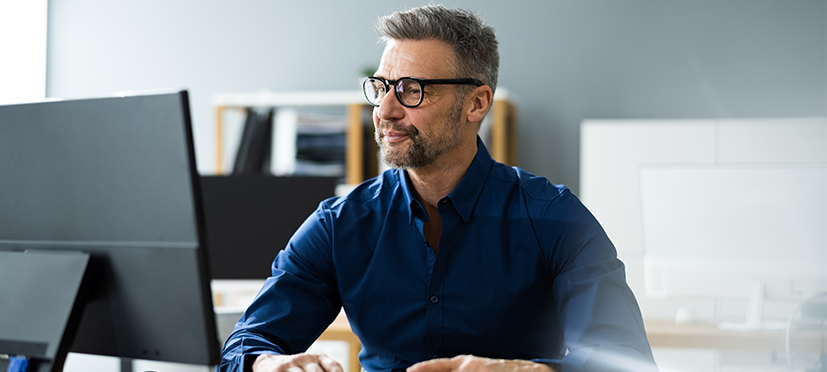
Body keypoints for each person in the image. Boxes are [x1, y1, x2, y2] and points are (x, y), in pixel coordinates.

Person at [219, 5, 656, 372]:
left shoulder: (554, 218)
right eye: (381, 88)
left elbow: (626, 361)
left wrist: (528, 371)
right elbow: (246, 344)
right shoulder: (340, 224)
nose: (386, 110)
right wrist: (268, 364)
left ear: (477, 103)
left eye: (412, 90)